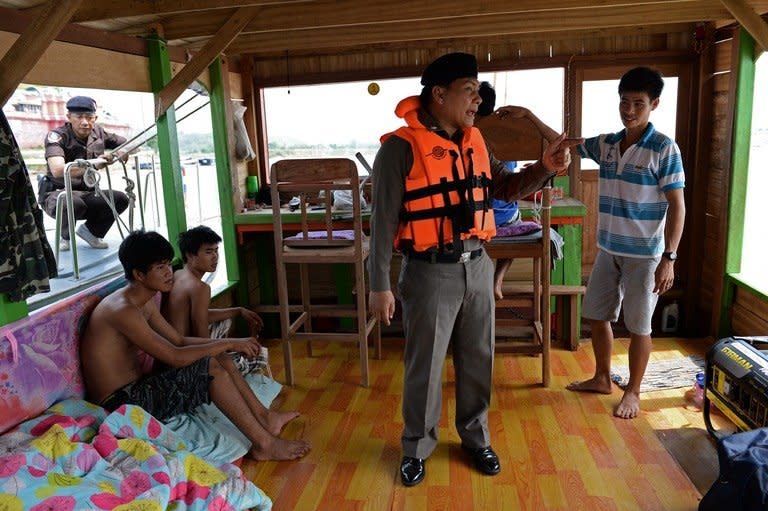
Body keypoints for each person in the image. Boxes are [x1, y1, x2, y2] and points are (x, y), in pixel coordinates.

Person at [368, 52, 580, 487]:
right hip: (428, 272)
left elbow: (505, 187)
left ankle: (475, 438)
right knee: (423, 367)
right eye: (470, 92)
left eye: (479, 93)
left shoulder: (476, 141)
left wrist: (544, 168)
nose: (478, 102)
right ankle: (417, 447)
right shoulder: (399, 149)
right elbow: (381, 222)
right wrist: (378, 286)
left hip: (479, 266)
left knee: (479, 360)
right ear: (439, 94)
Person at [80, 230, 311, 461]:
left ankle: (265, 418)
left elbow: (178, 340)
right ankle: (264, 445)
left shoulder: (144, 301)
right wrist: (229, 342)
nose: (169, 272)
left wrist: (227, 344)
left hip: (139, 388)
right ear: (139, 274)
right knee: (211, 368)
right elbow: (174, 356)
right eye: (160, 267)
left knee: (217, 357)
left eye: (169, 264)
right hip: (120, 402)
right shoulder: (123, 310)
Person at [566, 66, 686, 420]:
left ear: (654, 105)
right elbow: (571, 145)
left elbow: (678, 206)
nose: (629, 110)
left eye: (638, 103)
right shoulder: (607, 144)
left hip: (646, 256)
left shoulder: (664, 149)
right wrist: (528, 118)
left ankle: (633, 391)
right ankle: (602, 377)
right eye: (624, 102)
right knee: (596, 316)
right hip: (608, 249)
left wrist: (670, 258)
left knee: (639, 326)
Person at [475, 81, 560, 300]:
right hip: (503, 220)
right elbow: (559, 142)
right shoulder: (509, 138)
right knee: (516, 218)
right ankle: (497, 279)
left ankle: (485, 283)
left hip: (475, 221)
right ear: (493, 108)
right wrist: (529, 115)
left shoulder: (469, 135)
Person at [161, 225, 265, 374]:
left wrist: (238, 311)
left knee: (226, 321)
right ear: (190, 255)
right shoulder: (199, 287)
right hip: (183, 363)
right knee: (258, 355)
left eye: (216, 251)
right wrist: (232, 348)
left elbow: (200, 315)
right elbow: (201, 336)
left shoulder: (178, 274)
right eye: (208, 252)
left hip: (169, 354)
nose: (215, 256)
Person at [39, 96, 129, 252]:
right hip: (57, 194)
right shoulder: (57, 136)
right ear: (69, 117)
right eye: (79, 117)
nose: (85, 122)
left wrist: (123, 151)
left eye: (89, 117)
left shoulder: (98, 132)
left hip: (88, 193)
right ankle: (65, 237)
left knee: (120, 199)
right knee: (72, 202)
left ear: (95, 118)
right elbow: (58, 170)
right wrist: (94, 165)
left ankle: (91, 232)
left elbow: (128, 142)